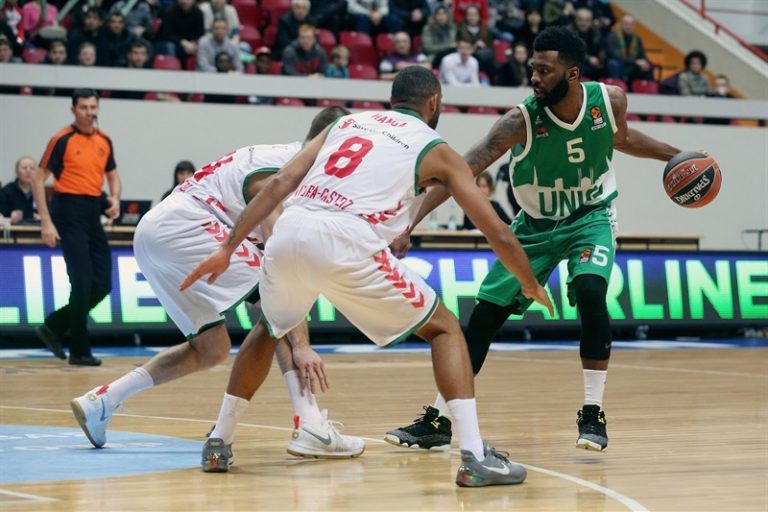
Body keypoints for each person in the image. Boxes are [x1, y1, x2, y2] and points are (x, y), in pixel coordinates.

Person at [182, 66, 554, 486]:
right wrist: (529, 283)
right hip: (345, 239)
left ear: (392, 99)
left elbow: (281, 182)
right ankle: (474, 456)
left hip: (291, 229)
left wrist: (228, 247)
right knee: (445, 329)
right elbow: (498, 232)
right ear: (434, 103)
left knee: (270, 327)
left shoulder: (346, 123)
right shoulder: (435, 148)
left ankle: (219, 440)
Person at [385, 27, 684, 454]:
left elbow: (622, 138)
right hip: (534, 227)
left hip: (590, 217)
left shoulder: (610, 101)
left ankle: (593, 412)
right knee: (483, 319)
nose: (535, 78)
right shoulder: (519, 121)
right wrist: (410, 221)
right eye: (533, 69)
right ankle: (439, 420)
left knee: (591, 291)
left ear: (573, 74)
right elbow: (461, 171)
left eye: (545, 70)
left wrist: (675, 155)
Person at [70, 107, 365, 464]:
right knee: (282, 303)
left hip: (153, 235)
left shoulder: (287, 160)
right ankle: (310, 423)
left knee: (211, 348)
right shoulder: (285, 170)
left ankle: (103, 400)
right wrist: (302, 346)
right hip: (188, 226)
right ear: (332, 141)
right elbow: (281, 263)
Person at [31, 88, 123, 367]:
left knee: (103, 284)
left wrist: (115, 197)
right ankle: (79, 351)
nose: (89, 112)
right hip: (67, 210)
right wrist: (46, 221)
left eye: (93, 107)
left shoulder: (105, 140)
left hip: (93, 210)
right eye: (84, 107)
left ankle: (55, 325)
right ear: (73, 110)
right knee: (81, 281)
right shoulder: (61, 139)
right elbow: (38, 178)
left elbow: (113, 175)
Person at [604, 14, 653, 85]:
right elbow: (616, 56)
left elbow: (642, 54)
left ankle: (646, 88)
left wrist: (645, 62)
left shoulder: (637, 39)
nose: (628, 27)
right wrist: (635, 62)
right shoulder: (612, 36)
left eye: (631, 24)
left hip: (632, 66)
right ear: (621, 24)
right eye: (626, 24)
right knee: (613, 63)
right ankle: (616, 86)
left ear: (634, 26)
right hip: (619, 64)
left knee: (647, 66)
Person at [0, 156, 38, 224]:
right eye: (24, 168)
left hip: (36, 229)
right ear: (17, 172)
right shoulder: (7, 191)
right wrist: (10, 219)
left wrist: (43, 218)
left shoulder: (39, 191)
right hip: (13, 229)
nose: (28, 171)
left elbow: (49, 216)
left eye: (32, 168)